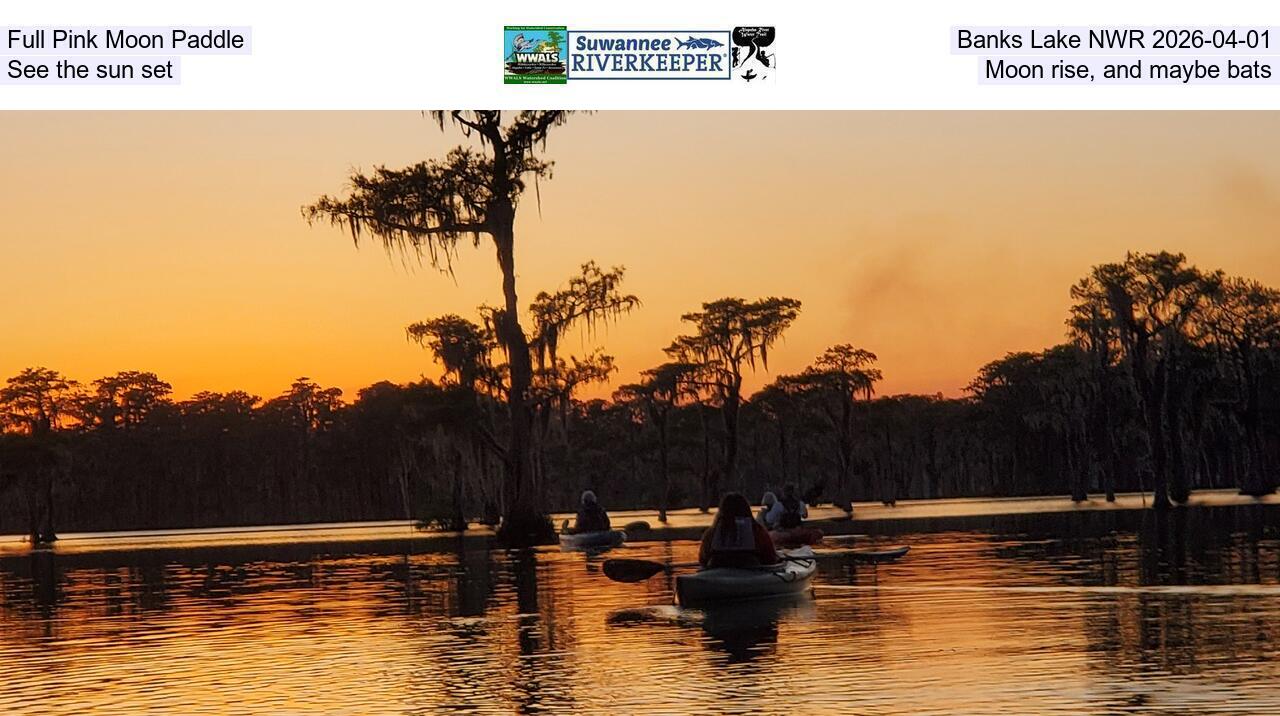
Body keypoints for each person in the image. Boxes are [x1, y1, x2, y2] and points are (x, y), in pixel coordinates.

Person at [699, 492, 779, 568]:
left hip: (716, 570)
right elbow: (771, 559)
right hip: (751, 571)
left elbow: (703, 560)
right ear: (747, 510)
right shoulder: (758, 531)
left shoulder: (711, 534)